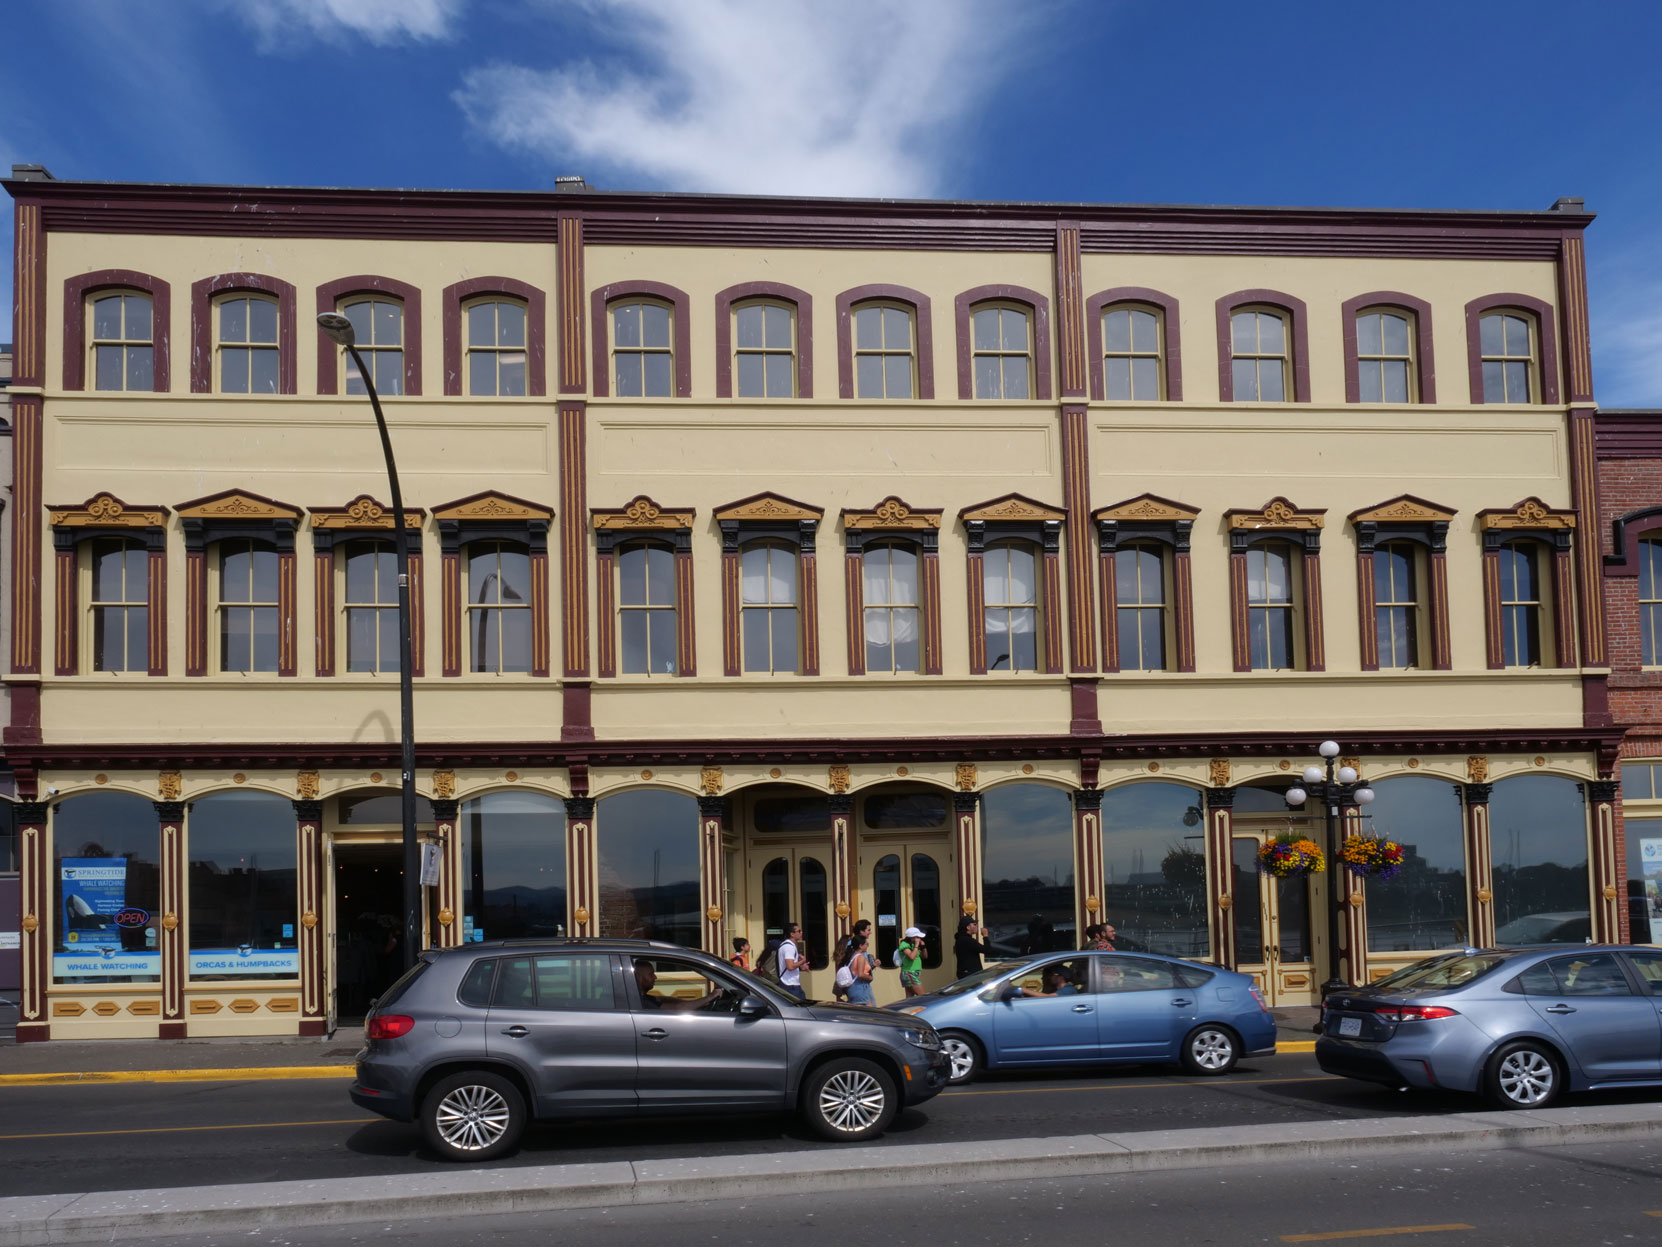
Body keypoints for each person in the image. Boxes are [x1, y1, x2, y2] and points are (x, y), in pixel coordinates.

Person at [776, 922, 809, 1001]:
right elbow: (790, 966)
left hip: (791, 983)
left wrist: (801, 967)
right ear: (792, 934)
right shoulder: (789, 947)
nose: (801, 932)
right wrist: (803, 961)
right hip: (790, 985)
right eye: (799, 931)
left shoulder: (788, 945)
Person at [954, 915, 992, 979]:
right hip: (970, 976)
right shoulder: (967, 940)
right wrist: (985, 936)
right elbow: (987, 950)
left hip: (966, 974)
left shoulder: (961, 939)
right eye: (974, 924)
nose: (976, 926)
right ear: (968, 927)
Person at [845, 932, 876, 1005]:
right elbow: (860, 974)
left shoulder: (852, 956)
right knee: (867, 1013)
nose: (867, 946)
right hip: (860, 989)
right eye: (866, 944)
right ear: (860, 946)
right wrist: (870, 977)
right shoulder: (860, 957)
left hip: (853, 989)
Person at [897, 926, 926, 997]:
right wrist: (916, 946)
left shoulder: (913, 945)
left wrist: (923, 947)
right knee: (923, 997)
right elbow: (911, 957)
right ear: (912, 937)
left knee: (910, 999)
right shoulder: (904, 945)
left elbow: (925, 956)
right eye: (918, 937)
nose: (919, 939)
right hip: (909, 973)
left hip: (912, 974)